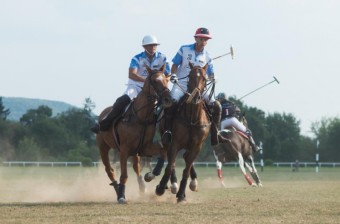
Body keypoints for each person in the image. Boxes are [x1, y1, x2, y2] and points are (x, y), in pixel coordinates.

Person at [91, 35, 170, 133]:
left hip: (156, 88)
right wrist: (146, 81)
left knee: (170, 103)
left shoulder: (163, 57)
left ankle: (167, 132)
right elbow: (132, 74)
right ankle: (103, 124)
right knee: (123, 100)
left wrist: (163, 82)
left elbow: (168, 74)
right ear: (144, 47)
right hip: (136, 86)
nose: (153, 47)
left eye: (154, 45)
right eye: (150, 45)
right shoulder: (137, 58)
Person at [161, 27, 222, 150]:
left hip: (199, 87)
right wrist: (173, 75)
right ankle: (167, 131)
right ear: (196, 38)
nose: (204, 41)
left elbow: (210, 73)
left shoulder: (208, 56)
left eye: (206, 39)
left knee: (216, 106)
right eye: (202, 38)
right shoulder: (184, 49)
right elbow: (175, 65)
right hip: (182, 84)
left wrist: (213, 78)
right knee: (170, 103)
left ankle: (215, 132)